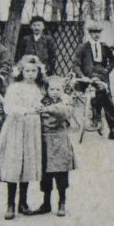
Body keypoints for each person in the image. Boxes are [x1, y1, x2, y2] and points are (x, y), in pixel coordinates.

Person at [0, 55, 47, 220]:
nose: (30, 74)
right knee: (14, 162)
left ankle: (23, 202)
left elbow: (43, 105)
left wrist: (40, 109)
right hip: (16, 127)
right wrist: (24, 111)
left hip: (32, 128)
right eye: (27, 71)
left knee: (27, 163)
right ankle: (10, 204)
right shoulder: (15, 87)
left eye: (34, 71)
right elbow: (8, 107)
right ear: (21, 72)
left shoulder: (39, 89)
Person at [37, 75, 79, 216]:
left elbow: (65, 112)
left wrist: (47, 110)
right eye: (52, 89)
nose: (55, 91)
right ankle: (46, 202)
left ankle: (62, 202)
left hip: (60, 140)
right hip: (45, 140)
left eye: (58, 89)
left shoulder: (65, 102)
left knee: (61, 173)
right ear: (46, 90)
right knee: (45, 174)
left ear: (62, 90)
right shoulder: (41, 101)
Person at [75, 22, 114, 140]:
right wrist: (82, 76)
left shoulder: (104, 46)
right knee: (100, 93)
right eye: (94, 32)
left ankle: (113, 129)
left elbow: (113, 60)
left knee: (108, 100)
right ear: (89, 34)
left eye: (98, 32)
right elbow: (75, 64)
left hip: (102, 75)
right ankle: (96, 116)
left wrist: (107, 71)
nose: (96, 35)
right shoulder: (83, 47)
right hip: (89, 75)